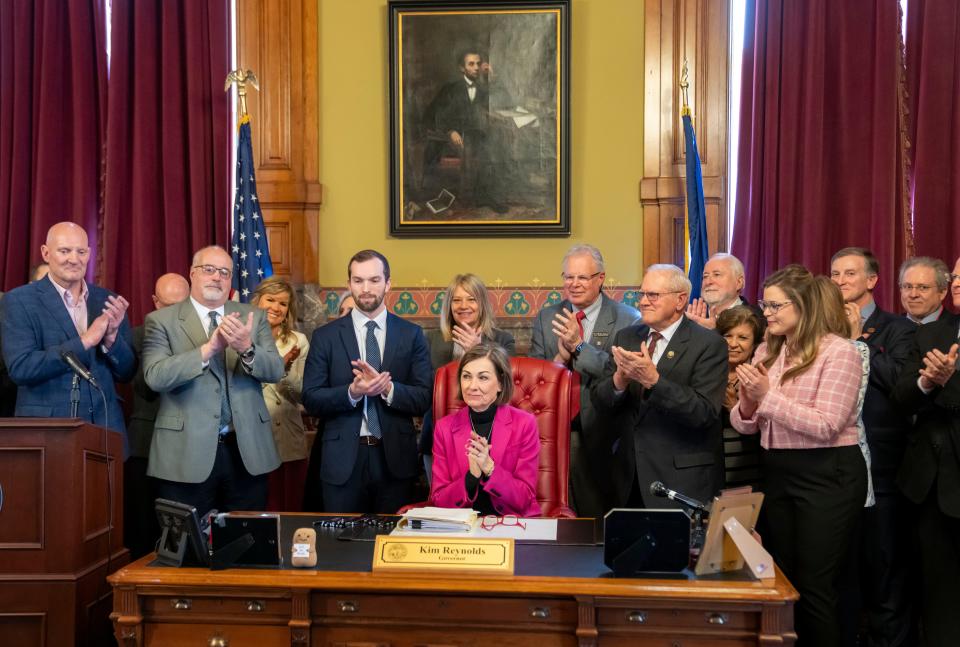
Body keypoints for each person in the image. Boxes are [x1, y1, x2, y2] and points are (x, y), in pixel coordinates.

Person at [731, 265, 867, 647]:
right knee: (784, 578)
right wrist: (746, 403)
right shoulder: (768, 351)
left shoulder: (840, 352)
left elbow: (826, 425)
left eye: (775, 306)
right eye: (764, 304)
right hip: (778, 473)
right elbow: (748, 426)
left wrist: (766, 397)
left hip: (828, 475)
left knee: (815, 585)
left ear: (803, 306)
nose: (766, 313)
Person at [142, 245, 283, 514]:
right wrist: (208, 350)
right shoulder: (161, 320)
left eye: (224, 272)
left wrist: (247, 348)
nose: (216, 277)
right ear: (193, 273)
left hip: (246, 452)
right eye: (209, 270)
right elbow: (155, 376)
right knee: (188, 548)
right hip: (185, 455)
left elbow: (275, 370)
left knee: (246, 544)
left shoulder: (253, 316)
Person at [830, 247, 917, 646]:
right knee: (841, 575)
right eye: (835, 274)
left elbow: (899, 383)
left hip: (881, 468)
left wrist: (854, 341)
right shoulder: (820, 328)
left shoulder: (899, 328)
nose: (841, 281)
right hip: (832, 468)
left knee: (885, 572)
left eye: (850, 274)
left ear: (872, 280)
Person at [302, 250, 433, 513]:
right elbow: (311, 398)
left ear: (388, 283)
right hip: (342, 461)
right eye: (358, 280)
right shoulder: (325, 337)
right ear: (349, 284)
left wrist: (388, 388)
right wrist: (351, 392)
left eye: (374, 280)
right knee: (341, 545)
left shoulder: (412, 335)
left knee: (393, 545)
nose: (366, 288)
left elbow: (424, 397)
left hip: (395, 460)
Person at [592, 263, 727, 508]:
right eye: (641, 294)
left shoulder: (709, 345)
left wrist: (654, 381)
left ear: (680, 300)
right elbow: (601, 401)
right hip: (628, 478)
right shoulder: (627, 337)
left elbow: (704, 412)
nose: (643, 301)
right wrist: (619, 380)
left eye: (653, 295)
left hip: (681, 481)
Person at [529, 244, 640, 517]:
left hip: (604, 436)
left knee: (598, 521)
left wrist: (579, 347)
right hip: (553, 433)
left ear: (600, 278)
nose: (574, 284)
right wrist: (560, 355)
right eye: (569, 277)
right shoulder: (547, 317)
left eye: (582, 277)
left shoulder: (627, 319)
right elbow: (534, 381)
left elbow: (619, 372)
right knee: (555, 519)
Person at [0, 222, 135, 442]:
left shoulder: (107, 300)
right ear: (46, 253)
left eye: (81, 251)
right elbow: (21, 368)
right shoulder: (19, 300)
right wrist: (85, 341)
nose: (74, 259)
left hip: (106, 431)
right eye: (64, 251)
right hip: (47, 435)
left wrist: (111, 341)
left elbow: (128, 373)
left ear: (89, 254)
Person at [892, 258, 960, 647]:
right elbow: (902, 397)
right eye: (956, 278)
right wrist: (926, 382)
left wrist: (947, 385)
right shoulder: (933, 333)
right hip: (930, 486)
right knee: (938, 595)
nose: (957, 284)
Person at [421, 273, 515, 483]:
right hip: (438, 434)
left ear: (482, 303)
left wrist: (477, 350)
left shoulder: (502, 340)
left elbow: (509, 389)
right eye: (456, 300)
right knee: (446, 501)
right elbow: (427, 389)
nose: (463, 306)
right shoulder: (433, 340)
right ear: (449, 305)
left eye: (471, 299)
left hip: (490, 435)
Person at [430, 342, 540, 517]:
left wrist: (490, 469)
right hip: (463, 530)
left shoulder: (524, 424)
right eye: (466, 376)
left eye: (483, 377)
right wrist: (471, 477)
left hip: (510, 523)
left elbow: (524, 498)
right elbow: (439, 500)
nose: (472, 386)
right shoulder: (444, 428)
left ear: (501, 384)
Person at [125, 272, 189, 558]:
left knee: (181, 528)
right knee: (143, 526)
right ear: (154, 302)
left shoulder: (202, 338)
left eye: (181, 306)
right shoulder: (138, 335)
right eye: (167, 306)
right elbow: (144, 388)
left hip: (188, 441)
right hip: (146, 442)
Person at [422, 49, 507, 213]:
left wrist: (493, 76)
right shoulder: (451, 89)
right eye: (471, 64)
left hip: (474, 133)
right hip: (449, 135)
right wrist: (450, 131)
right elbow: (437, 114)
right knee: (471, 146)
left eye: (478, 63)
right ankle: (470, 197)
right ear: (462, 68)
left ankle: (485, 195)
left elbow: (504, 99)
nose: (476, 67)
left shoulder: (482, 90)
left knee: (496, 142)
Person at [252, 276, 310, 511]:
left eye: (283, 304)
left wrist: (284, 371)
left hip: (287, 438)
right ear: (258, 301)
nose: (276, 307)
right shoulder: (240, 337)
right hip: (252, 437)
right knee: (255, 508)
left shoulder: (299, 341)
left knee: (288, 509)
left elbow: (302, 395)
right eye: (271, 300)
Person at [715, 306, 763, 489]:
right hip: (710, 470)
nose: (733, 344)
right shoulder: (706, 372)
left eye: (742, 337)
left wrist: (736, 408)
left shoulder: (760, 377)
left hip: (748, 468)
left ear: (755, 344)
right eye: (727, 336)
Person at [686, 253, 764, 330]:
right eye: (705, 276)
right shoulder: (691, 319)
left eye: (717, 275)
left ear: (739, 283)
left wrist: (711, 333)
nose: (708, 282)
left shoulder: (758, 318)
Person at [898, 256, 950, 324]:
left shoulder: (956, 328)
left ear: (942, 292)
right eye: (908, 287)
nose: (913, 295)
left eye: (923, 287)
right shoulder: (886, 327)